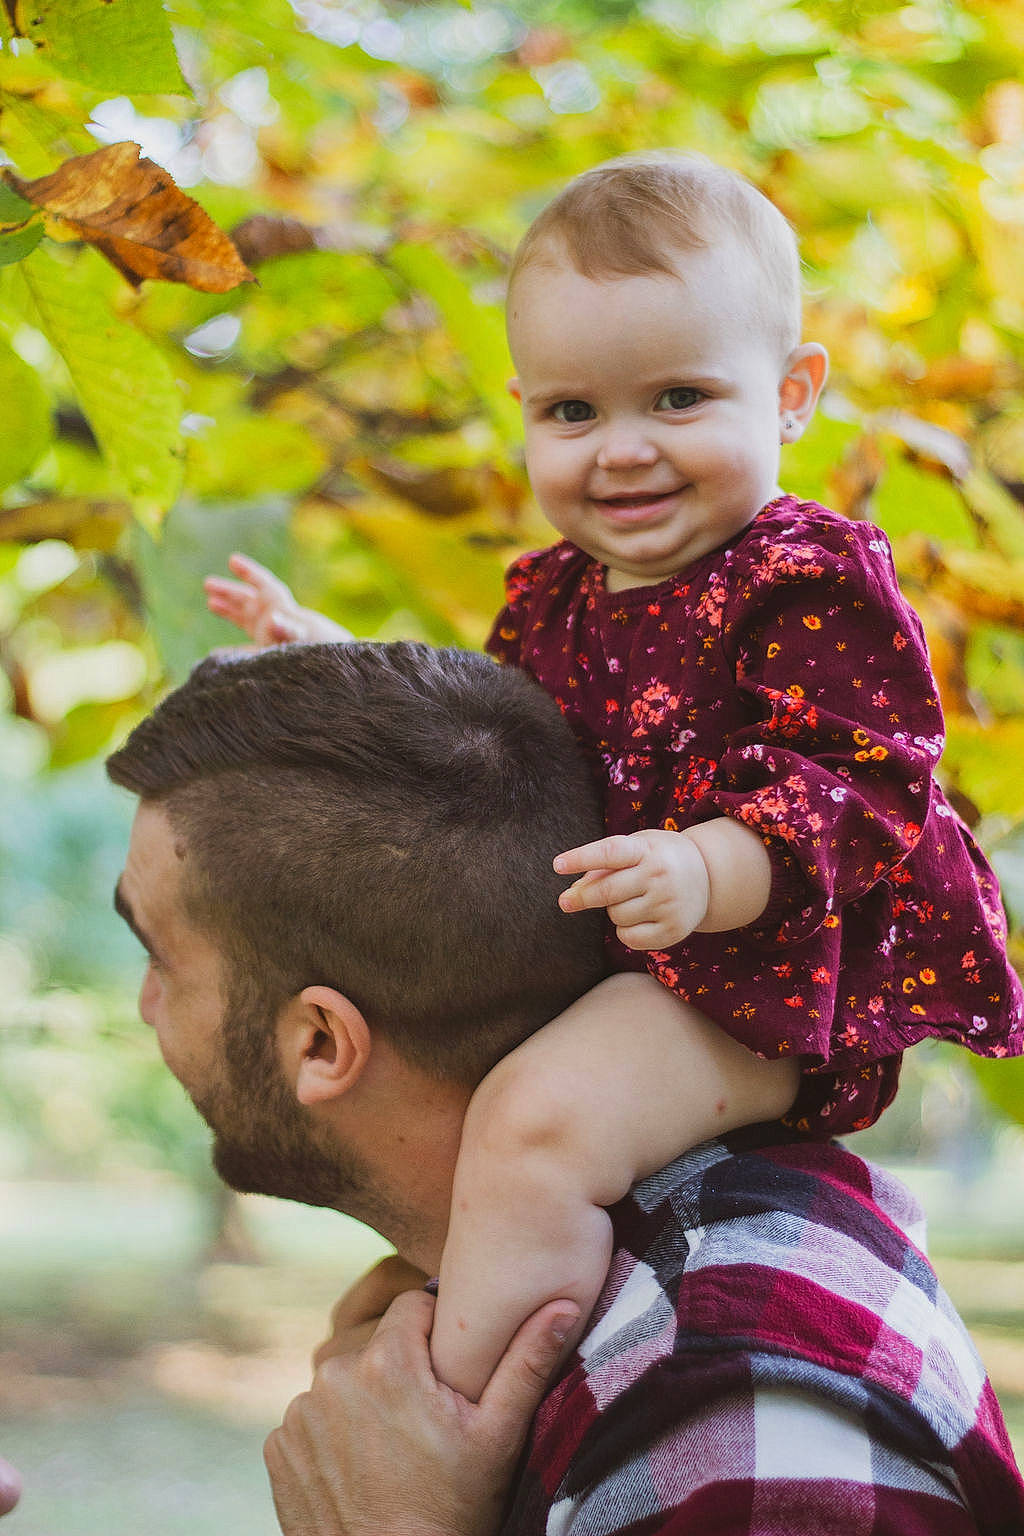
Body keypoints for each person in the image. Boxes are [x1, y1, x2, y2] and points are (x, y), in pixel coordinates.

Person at [204, 150, 1024, 1402]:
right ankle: (469, 1304)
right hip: (630, 948)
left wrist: (709, 864)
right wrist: (334, 657)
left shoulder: (801, 576)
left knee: (535, 1122)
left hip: (763, 969)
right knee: (431, 1087)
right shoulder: (558, 591)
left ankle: (464, 1434)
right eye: (572, 412)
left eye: (681, 398)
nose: (622, 451)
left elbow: (866, 779)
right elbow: (495, 732)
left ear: (793, 394)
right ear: (525, 407)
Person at [105, 640, 1024, 1533]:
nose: (144, 1004)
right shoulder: (575, 1314)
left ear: (319, 1042)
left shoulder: (733, 1409)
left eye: (160, 954)